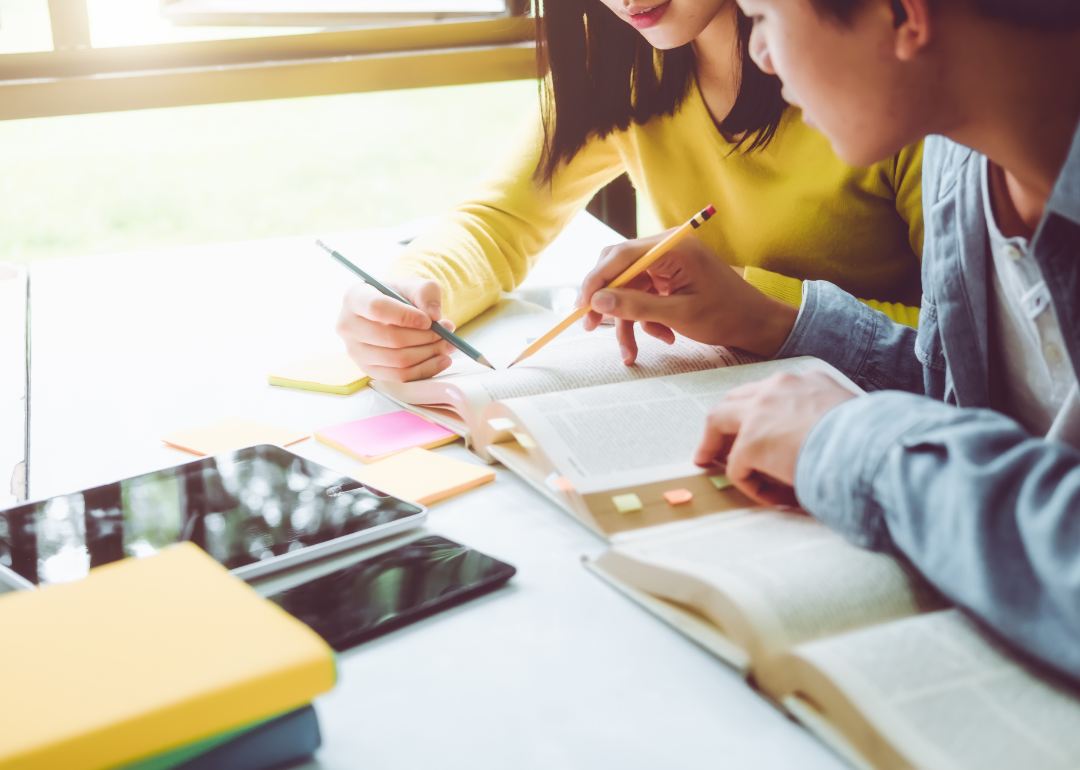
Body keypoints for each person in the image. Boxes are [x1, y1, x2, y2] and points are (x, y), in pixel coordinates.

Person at [583, 0, 1080, 683]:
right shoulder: (959, 165)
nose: (757, 54)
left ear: (904, 15)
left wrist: (855, 441)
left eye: (761, 14)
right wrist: (768, 319)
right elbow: (989, 408)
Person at [336, 0, 925, 382]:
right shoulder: (615, 62)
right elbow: (498, 221)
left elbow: (977, 348)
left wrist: (758, 304)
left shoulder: (887, 79)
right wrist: (410, 293)